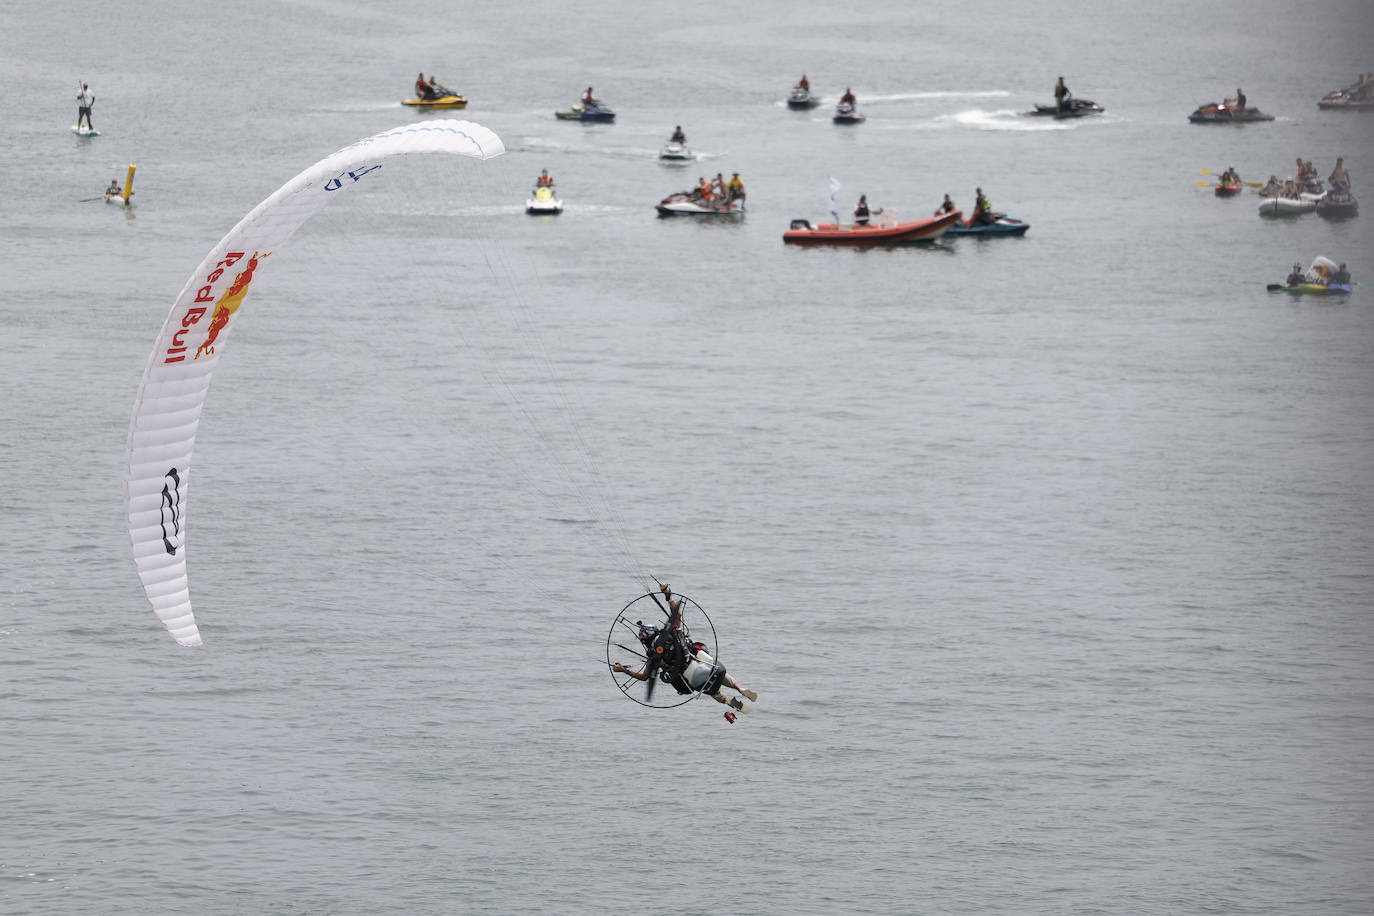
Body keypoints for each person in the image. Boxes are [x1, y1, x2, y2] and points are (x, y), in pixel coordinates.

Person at [610, 583, 758, 713]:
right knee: (719, 673)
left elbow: (644, 677)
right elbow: (678, 614)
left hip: (694, 680)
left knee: (716, 693)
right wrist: (668, 595)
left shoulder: (653, 657)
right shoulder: (672, 632)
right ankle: (739, 688)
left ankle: (729, 702)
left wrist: (624, 670)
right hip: (706, 665)